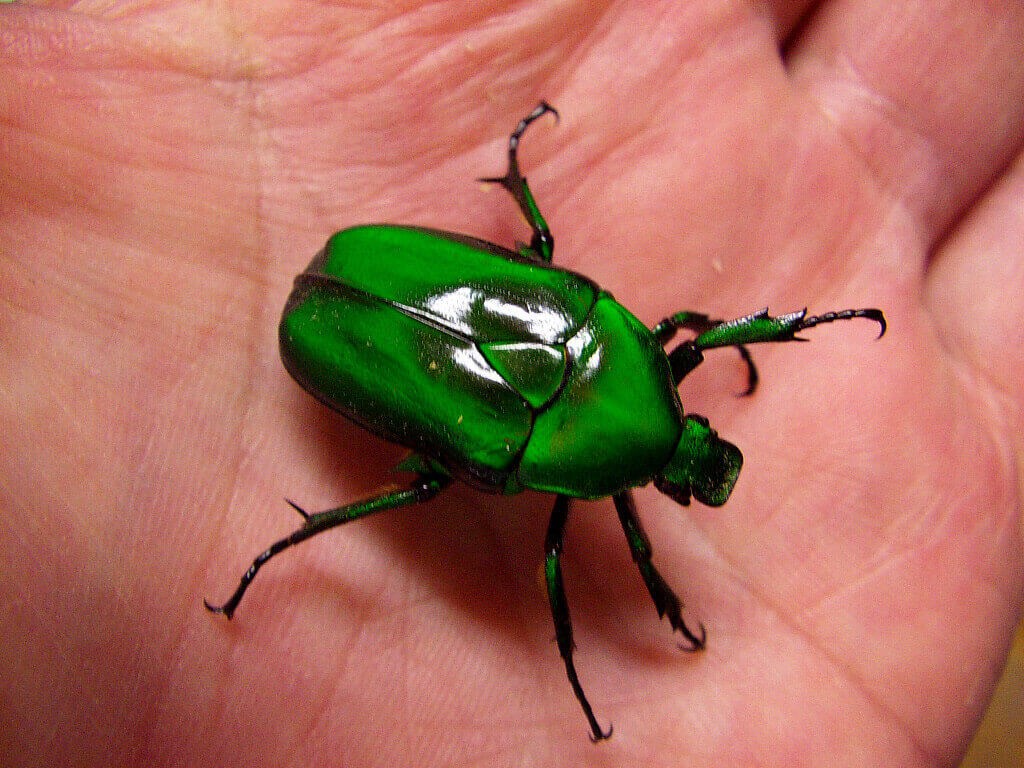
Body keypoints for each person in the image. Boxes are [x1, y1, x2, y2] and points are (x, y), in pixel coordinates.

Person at [1, 2, 1021, 765]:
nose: (689, 465)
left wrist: (780, 330)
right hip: (354, 309)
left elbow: (687, 337)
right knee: (444, 490)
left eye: (679, 465)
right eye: (686, 458)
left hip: (356, 310)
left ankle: (294, 543)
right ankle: (296, 541)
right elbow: (676, 373)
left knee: (526, 336)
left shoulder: (623, 343)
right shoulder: (586, 461)